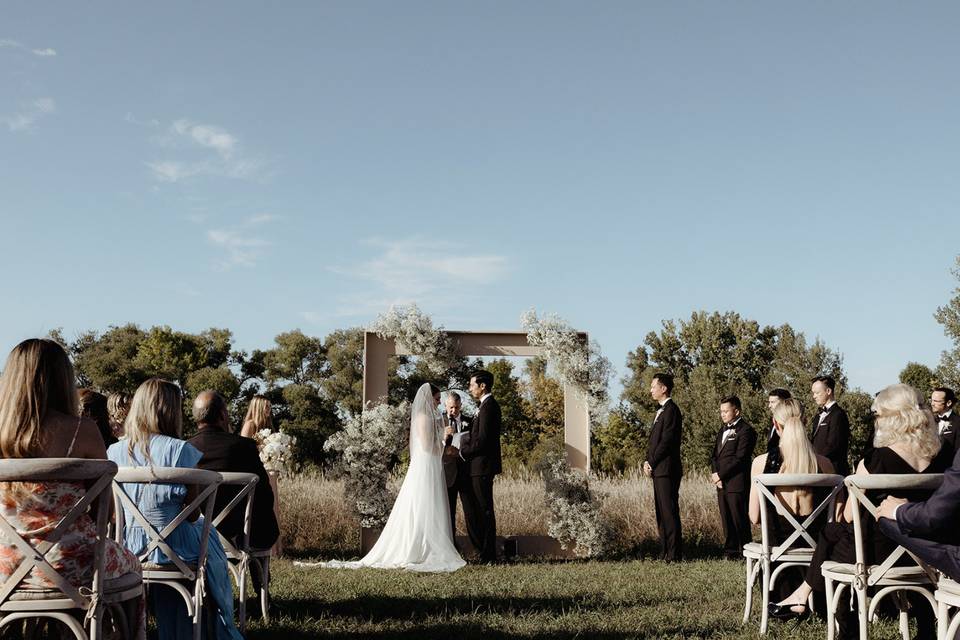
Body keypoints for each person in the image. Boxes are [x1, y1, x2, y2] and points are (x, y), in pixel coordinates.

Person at [769, 384, 952, 639]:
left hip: (877, 554)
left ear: (889, 419)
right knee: (836, 534)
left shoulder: (875, 460)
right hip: (928, 553)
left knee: (834, 533)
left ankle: (844, 626)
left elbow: (849, 516)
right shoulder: (947, 456)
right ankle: (924, 629)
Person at [0, 339, 144, 638]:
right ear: (63, 380)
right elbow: (105, 515)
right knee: (133, 565)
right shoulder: (84, 431)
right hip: (72, 565)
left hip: (5, 567)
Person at [107, 378, 243, 640]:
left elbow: (114, 512)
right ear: (171, 411)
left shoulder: (113, 451)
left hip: (130, 546)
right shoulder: (181, 450)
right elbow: (191, 513)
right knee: (208, 535)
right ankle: (215, 624)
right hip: (173, 547)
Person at [298, 383, 465, 572]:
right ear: (428, 398)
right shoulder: (423, 417)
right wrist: (444, 440)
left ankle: (423, 545)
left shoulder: (427, 416)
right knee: (422, 504)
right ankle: (417, 548)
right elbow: (427, 447)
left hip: (427, 466)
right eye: (436, 399)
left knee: (424, 505)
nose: (438, 403)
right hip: (425, 467)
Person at [187, 389, 280, 605]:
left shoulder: (186, 448)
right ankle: (262, 592)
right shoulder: (243, 447)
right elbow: (265, 494)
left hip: (197, 535)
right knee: (261, 517)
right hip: (241, 535)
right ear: (222, 416)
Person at [749, 399, 835, 599]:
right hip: (817, 562)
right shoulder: (825, 464)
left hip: (777, 562)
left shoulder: (761, 463)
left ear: (775, 424)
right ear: (805, 422)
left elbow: (754, 517)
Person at [875, 446, 960, 583]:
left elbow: (932, 515)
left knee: (885, 520)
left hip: (879, 556)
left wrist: (899, 510)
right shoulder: (944, 454)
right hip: (925, 561)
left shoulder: (876, 458)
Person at [455, 371, 503, 564]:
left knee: (485, 511)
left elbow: (482, 440)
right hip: (476, 467)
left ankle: (489, 555)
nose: (470, 388)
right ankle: (483, 552)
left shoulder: (489, 407)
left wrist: (462, 450)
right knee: (477, 511)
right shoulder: (483, 406)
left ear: (483, 386)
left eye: (472, 384)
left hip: (483, 467)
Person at [710, 395, 757, 559]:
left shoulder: (747, 431)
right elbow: (714, 455)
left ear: (736, 411)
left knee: (739, 518)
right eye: (721, 411)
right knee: (726, 518)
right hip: (721, 482)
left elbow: (741, 458)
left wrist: (721, 475)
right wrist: (716, 474)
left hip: (737, 482)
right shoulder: (722, 430)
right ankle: (730, 552)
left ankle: (745, 552)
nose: (722, 414)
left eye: (726, 411)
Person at [643, 373, 683, 562]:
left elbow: (667, 441)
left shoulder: (672, 411)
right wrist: (646, 461)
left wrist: (652, 461)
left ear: (664, 388)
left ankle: (674, 554)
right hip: (658, 469)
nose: (651, 390)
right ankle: (664, 551)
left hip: (667, 469)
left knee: (669, 511)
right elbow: (653, 442)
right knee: (661, 512)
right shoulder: (660, 411)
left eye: (653, 386)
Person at [442, 390, 468, 545]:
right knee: (448, 511)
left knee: (470, 511)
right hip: (447, 472)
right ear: (446, 406)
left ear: (461, 406)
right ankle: (450, 544)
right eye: (451, 407)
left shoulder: (469, 421)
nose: (453, 411)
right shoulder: (440, 421)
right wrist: (444, 440)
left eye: (457, 408)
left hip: (465, 471)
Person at [810, 375, 851, 475]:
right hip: (818, 470)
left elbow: (833, 445)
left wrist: (815, 460)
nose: (814, 396)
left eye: (817, 393)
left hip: (833, 471)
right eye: (813, 393)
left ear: (828, 391)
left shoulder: (839, 415)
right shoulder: (817, 416)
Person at [764, 388, 792, 474]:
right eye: (769, 402)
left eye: (773, 402)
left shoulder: (791, 423)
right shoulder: (772, 422)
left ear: (784, 403)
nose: (769, 406)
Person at [931, 386, 960, 456]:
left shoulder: (958, 422)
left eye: (936, 401)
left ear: (948, 403)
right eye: (931, 400)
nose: (932, 404)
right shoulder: (930, 421)